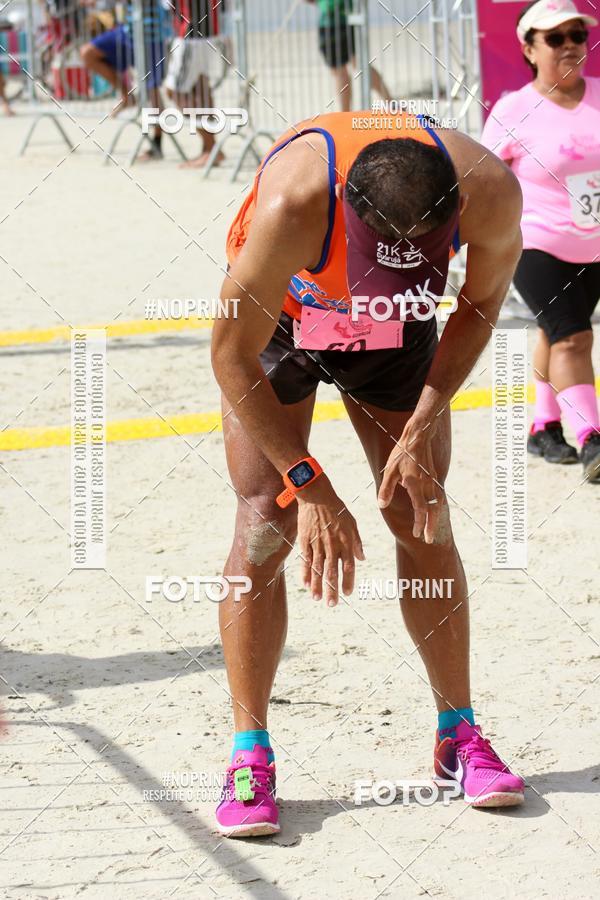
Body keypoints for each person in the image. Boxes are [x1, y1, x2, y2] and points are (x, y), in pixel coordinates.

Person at [210, 109, 527, 837]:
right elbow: (228, 355)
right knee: (267, 517)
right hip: (286, 323)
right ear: (347, 207)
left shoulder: (491, 189)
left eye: (414, 260)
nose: (382, 276)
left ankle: (460, 732)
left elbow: (479, 303)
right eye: (379, 257)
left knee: (422, 511)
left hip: (397, 337)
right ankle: (248, 754)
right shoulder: (295, 204)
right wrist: (310, 483)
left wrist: (425, 417)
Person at [481, 0, 600, 481]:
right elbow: (483, 182)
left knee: (556, 333)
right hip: (536, 243)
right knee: (574, 337)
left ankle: (543, 425)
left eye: (577, 35)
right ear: (529, 49)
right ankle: (593, 437)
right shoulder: (512, 110)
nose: (571, 45)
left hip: (592, 244)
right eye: (555, 38)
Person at [80, 0, 166, 133]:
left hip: (151, 35)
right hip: (128, 32)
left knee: (152, 88)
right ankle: (127, 97)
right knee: (88, 53)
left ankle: (157, 141)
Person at [163, 0, 224, 168]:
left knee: (175, 92)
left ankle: (211, 148)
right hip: (207, 33)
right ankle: (210, 149)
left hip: (191, 34)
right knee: (202, 91)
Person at [307, 0, 391, 111]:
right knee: (358, 65)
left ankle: (345, 114)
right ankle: (390, 102)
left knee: (344, 70)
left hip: (335, 21)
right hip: (348, 19)